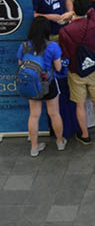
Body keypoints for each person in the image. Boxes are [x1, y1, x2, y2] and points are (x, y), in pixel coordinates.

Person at [59, 0, 95, 144]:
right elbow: (92, 12)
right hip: (92, 67)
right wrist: (75, 11)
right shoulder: (92, 24)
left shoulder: (64, 31)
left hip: (75, 70)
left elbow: (64, 55)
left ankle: (85, 135)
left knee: (80, 104)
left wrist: (71, 14)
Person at [18, 17, 66, 156]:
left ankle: (34, 147)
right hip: (49, 84)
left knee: (34, 116)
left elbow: (20, 64)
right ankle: (60, 142)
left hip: (32, 85)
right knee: (54, 113)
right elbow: (58, 68)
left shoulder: (24, 46)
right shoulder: (52, 46)